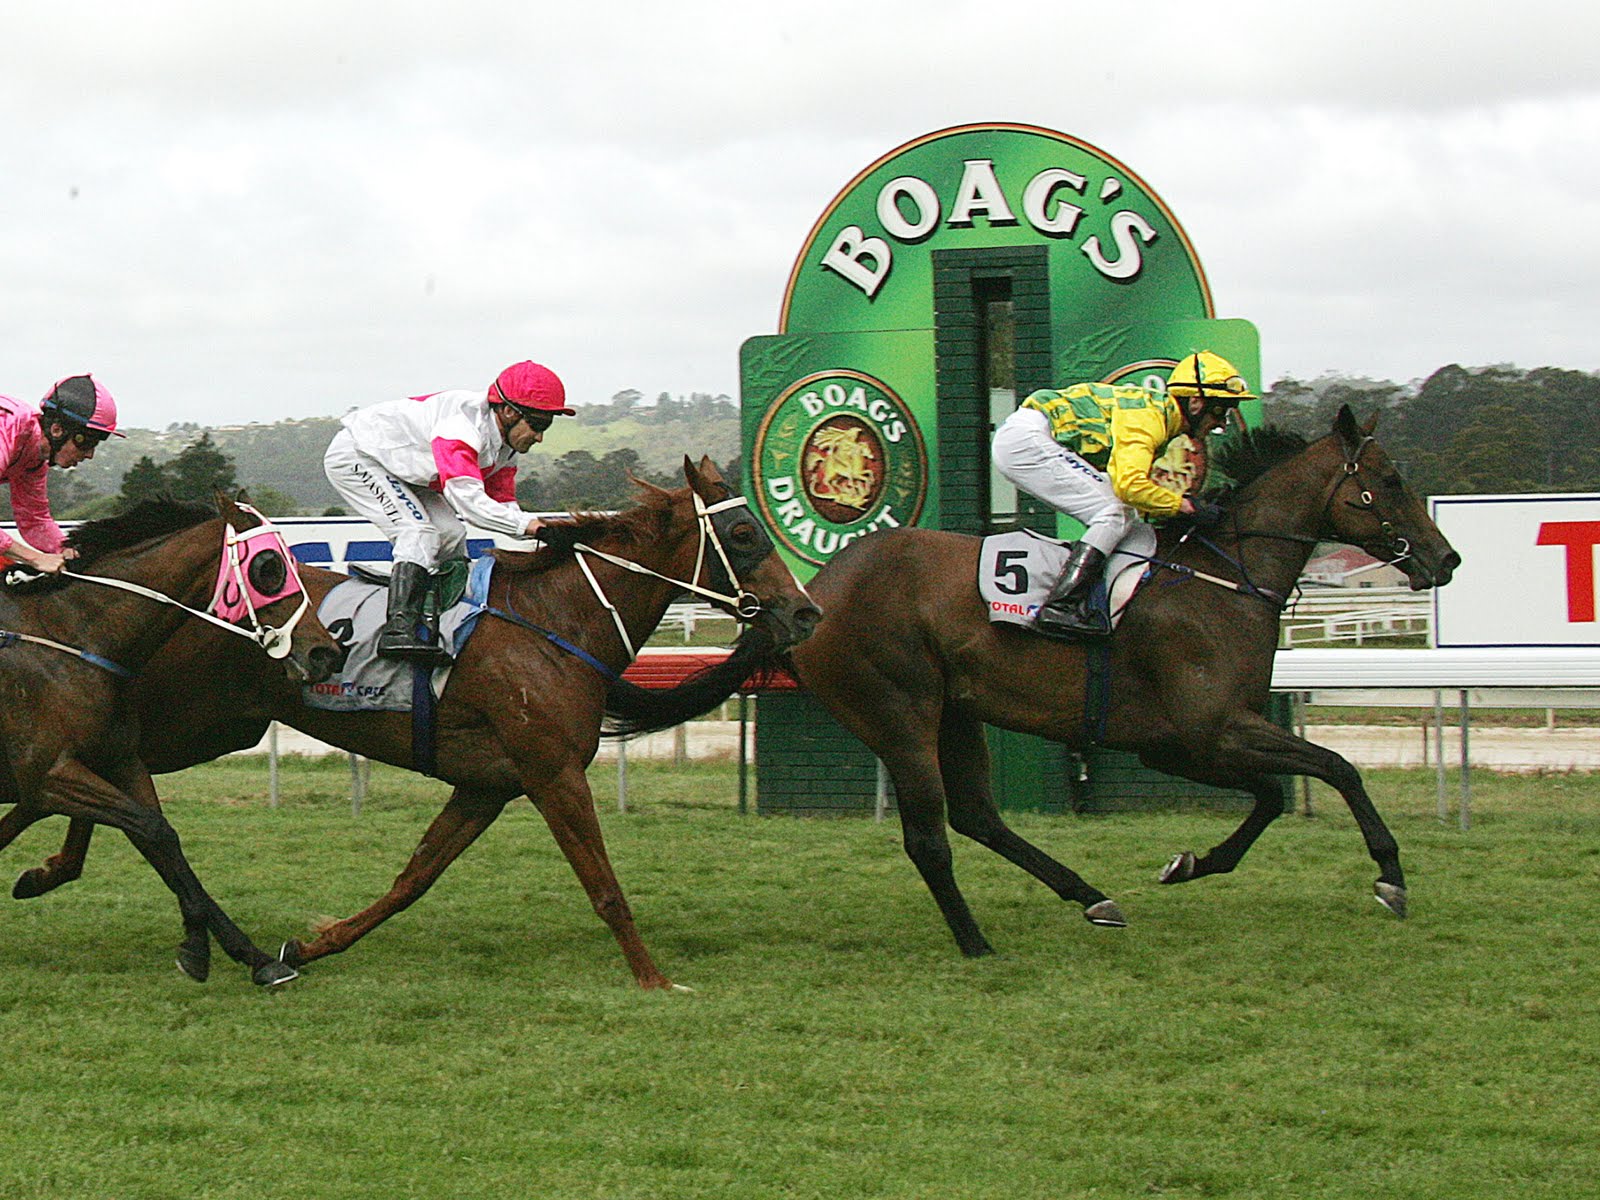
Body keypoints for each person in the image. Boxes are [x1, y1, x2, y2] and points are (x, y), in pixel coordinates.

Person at [323, 359, 574, 662]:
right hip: (357, 455)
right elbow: (469, 504)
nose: (540, 437)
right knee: (417, 532)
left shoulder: (506, 449)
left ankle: (438, 622)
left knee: (452, 534)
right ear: (509, 412)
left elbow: (503, 507)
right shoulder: (461, 428)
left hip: (406, 472)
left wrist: (542, 531)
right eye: (538, 424)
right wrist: (534, 527)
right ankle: (397, 631)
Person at [991, 350, 1253, 638]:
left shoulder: (1160, 417)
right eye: (1220, 411)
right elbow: (1130, 486)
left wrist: (1175, 509)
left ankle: (1101, 601)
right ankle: (1060, 606)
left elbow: (1127, 490)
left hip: (1031, 438)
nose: (1221, 423)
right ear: (1196, 403)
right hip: (1028, 441)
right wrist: (1186, 506)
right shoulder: (1149, 417)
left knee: (1126, 517)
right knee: (1112, 513)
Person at [0, 375, 124, 574]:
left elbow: (34, 521)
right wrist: (35, 559)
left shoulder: (35, 460)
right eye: (86, 442)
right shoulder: (7, 427)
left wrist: (65, 548)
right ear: (57, 430)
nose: (90, 454)